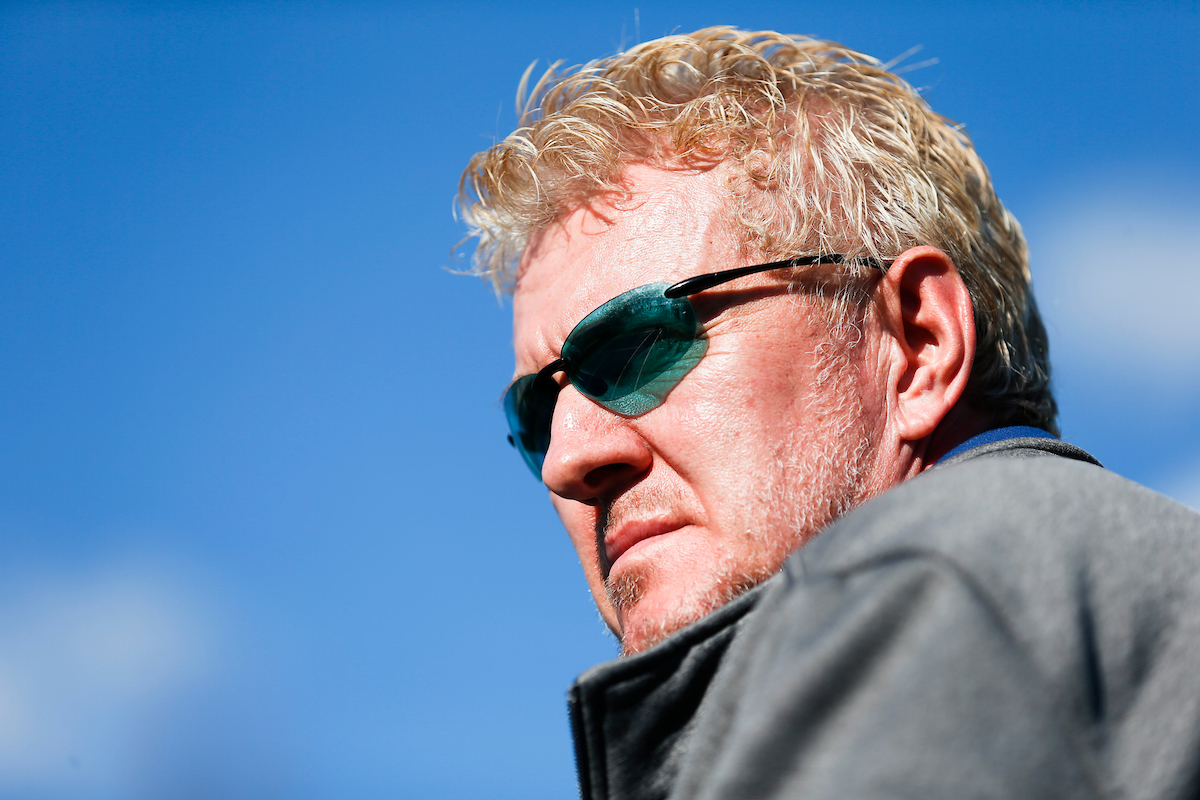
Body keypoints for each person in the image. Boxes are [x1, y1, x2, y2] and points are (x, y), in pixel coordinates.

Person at [458, 27, 1200, 800]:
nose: (565, 458)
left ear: (919, 343)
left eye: (638, 347)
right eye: (536, 410)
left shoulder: (934, 587)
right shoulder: (1090, 605)